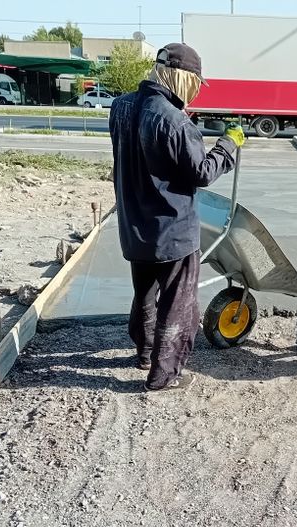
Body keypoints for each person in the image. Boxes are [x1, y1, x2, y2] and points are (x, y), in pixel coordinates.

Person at [109, 43, 246, 392]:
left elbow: (146, 152)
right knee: (178, 305)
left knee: (144, 294)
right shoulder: (174, 122)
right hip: (172, 231)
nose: (196, 91)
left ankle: (145, 352)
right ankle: (164, 375)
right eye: (195, 83)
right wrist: (229, 145)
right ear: (182, 78)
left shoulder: (120, 107)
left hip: (134, 226)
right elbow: (201, 172)